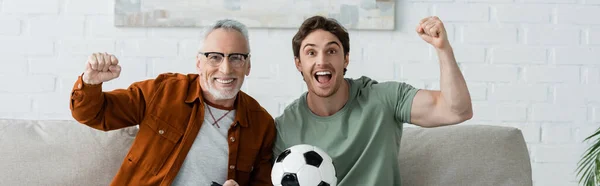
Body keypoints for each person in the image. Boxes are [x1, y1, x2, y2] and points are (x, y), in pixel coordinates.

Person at [69, 19, 275, 186]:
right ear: (198, 63)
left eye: (236, 58)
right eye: (215, 57)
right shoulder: (164, 91)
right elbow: (93, 114)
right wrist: (90, 83)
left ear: (248, 65)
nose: (226, 69)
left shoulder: (261, 124)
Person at [273, 15, 473, 185]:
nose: (322, 61)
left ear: (346, 59)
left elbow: (457, 110)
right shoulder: (285, 127)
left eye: (331, 51)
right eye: (311, 53)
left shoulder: (383, 98)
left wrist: (443, 48)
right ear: (298, 64)